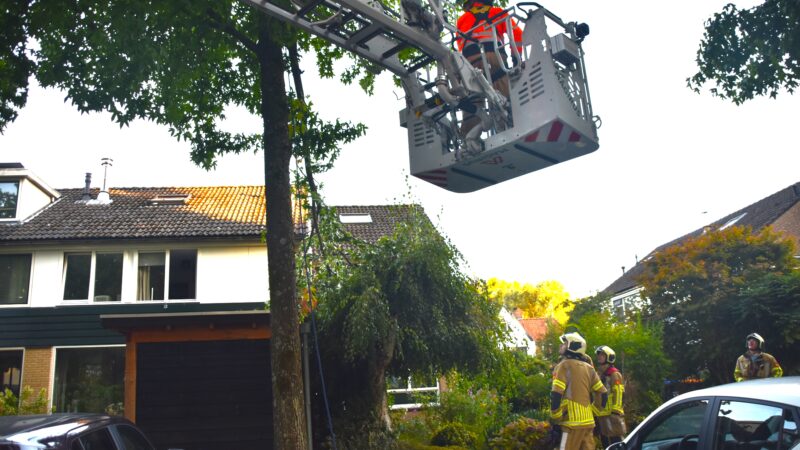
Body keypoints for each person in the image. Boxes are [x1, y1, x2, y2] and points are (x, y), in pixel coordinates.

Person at [456, 0, 523, 135]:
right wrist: (517, 59)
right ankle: (511, 129)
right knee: (505, 98)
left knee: (472, 101)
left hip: (470, 63)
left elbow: (460, 46)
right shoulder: (497, 12)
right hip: (494, 57)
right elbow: (517, 34)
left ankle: (469, 139)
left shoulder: (462, 19)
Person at [551, 332, 607, 450]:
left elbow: (556, 393)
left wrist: (556, 415)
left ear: (572, 346)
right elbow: (603, 393)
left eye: (565, 343)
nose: (561, 346)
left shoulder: (563, 365)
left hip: (571, 424)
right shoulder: (589, 368)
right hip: (588, 423)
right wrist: (595, 410)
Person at [593, 345, 626, 448]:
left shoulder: (614, 374)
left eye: (602, 355)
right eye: (598, 355)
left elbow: (618, 392)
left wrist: (615, 412)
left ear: (609, 357)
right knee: (605, 442)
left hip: (612, 415)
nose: (599, 357)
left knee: (616, 441)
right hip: (602, 414)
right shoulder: (599, 373)